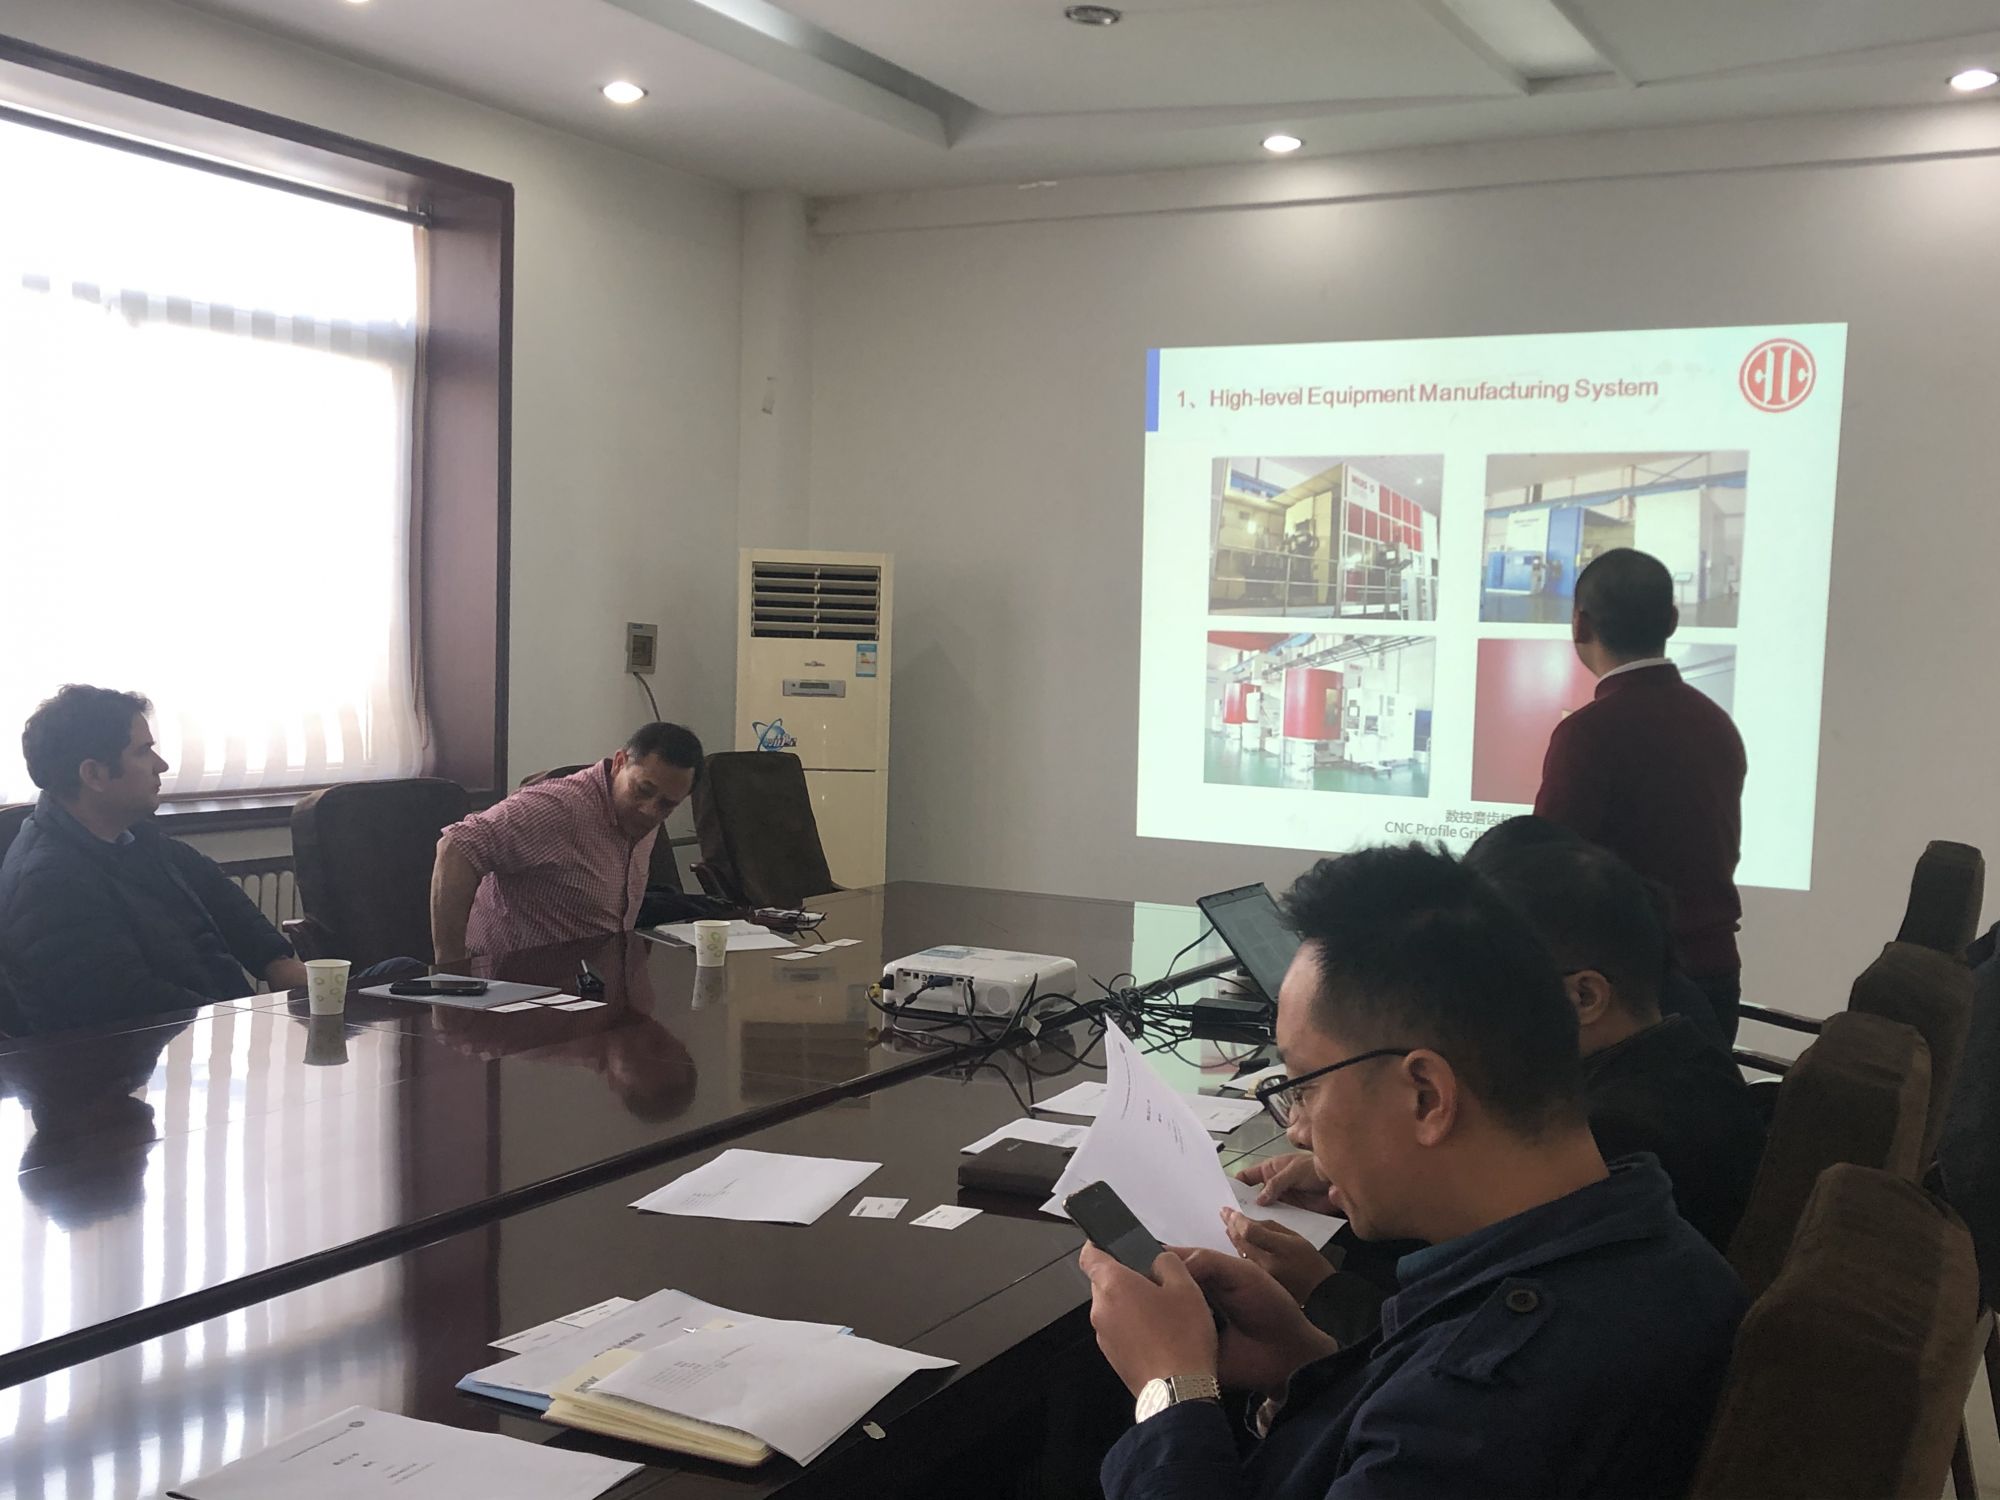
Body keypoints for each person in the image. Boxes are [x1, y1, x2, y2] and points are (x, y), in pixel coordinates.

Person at [1084, 845, 1745, 1500]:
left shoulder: (1474, 1406)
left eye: (1303, 1086)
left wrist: (1170, 1393)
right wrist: (1311, 1363)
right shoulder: (1660, 1252)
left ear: (1426, 1096)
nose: (1298, 1130)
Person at [0, 686, 308, 1034]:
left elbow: (217, 892)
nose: (161, 765)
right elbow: (130, 1004)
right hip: (138, 1056)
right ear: (94, 774)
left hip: (204, 1033)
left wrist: (275, 960)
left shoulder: (133, 835)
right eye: (143, 751)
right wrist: (244, 1022)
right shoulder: (49, 881)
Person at [1535, 547, 1748, 1040]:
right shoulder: (1716, 722)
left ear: (1579, 624)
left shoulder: (1588, 734)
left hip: (1629, 996)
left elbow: (1542, 872)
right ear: (1672, 620)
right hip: (1715, 974)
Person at [430, 721, 702, 963]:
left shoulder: (640, 815)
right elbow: (455, 846)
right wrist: (451, 968)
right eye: (642, 790)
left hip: (594, 982)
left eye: (667, 805)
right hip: (517, 984)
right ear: (619, 763)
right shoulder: (557, 807)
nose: (649, 810)